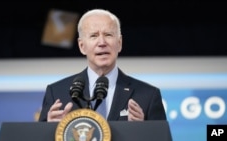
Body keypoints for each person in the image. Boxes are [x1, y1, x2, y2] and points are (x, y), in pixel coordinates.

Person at [38, 8, 167, 122]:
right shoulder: (57, 94)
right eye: (94, 36)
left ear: (119, 43)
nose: (102, 42)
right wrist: (51, 130)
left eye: (108, 35)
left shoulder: (148, 96)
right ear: (82, 46)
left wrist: (144, 132)